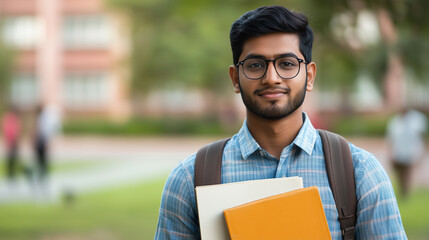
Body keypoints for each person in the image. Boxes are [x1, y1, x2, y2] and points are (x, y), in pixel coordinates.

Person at [155, 6, 406, 239]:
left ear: (309, 76)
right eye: (255, 65)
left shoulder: (359, 172)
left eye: (286, 64)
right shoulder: (190, 179)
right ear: (235, 78)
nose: (271, 78)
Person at [387, 107, 427, 198]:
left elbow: (420, 138)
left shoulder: (416, 121)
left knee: (407, 173)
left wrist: (420, 153)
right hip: (397, 153)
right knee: (399, 174)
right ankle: (403, 190)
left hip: (409, 153)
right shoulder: (395, 121)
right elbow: (391, 139)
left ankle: (405, 192)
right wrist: (390, 154)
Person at [1, 105, 21, 184]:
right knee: (10, 159)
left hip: (14, 141)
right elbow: (7, 130)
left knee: (13, 159)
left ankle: (12, 174)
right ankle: (10, 175)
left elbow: (17, 130)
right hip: (10, 141)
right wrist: (9, 141)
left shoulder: (15, 118)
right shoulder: (9, 118)